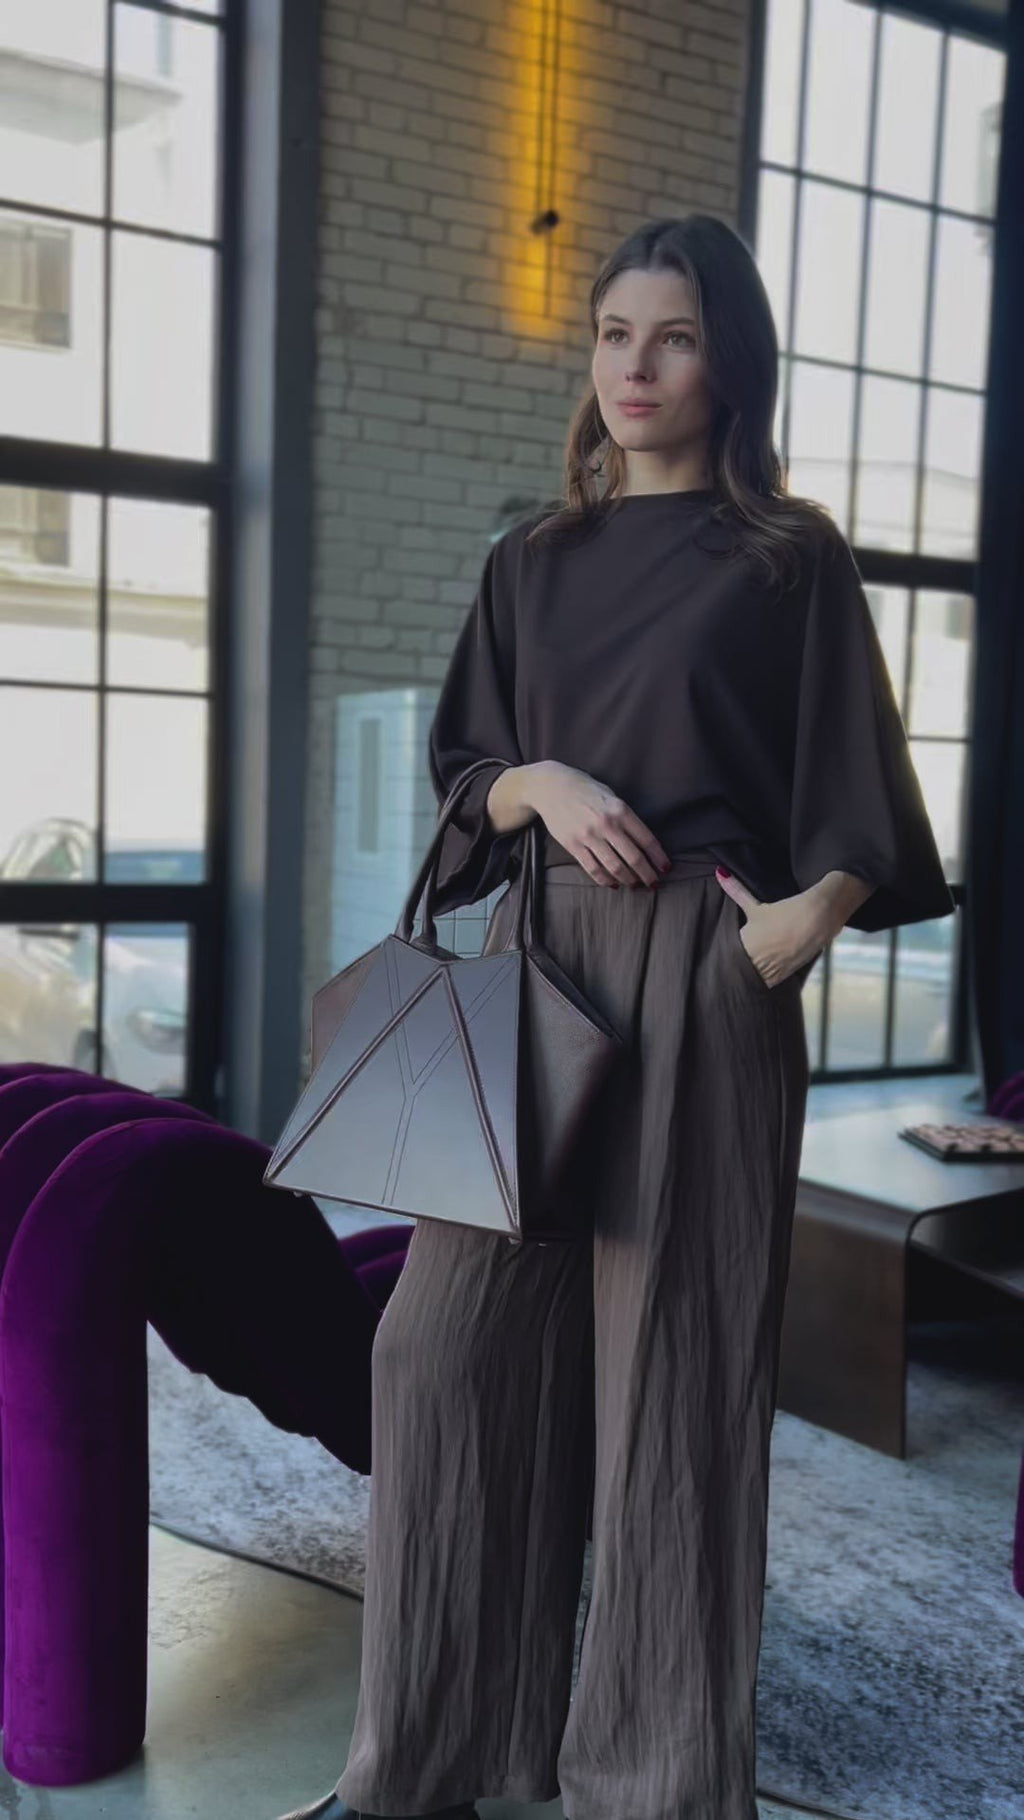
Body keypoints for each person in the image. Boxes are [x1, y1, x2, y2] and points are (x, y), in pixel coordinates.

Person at [275, 214, 954, 1820]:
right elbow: (465, 775)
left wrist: (805, 920)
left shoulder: (789, 554)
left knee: (674, 1383)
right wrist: (542, 781)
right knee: (439, 1358)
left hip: (705, 982)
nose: (635, 367)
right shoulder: (535, 562)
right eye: (612, 334)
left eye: (675, 337)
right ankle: (432, 1753)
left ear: (732, 366)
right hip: (538, 969)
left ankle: (646, 1783)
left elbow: (865, 789)